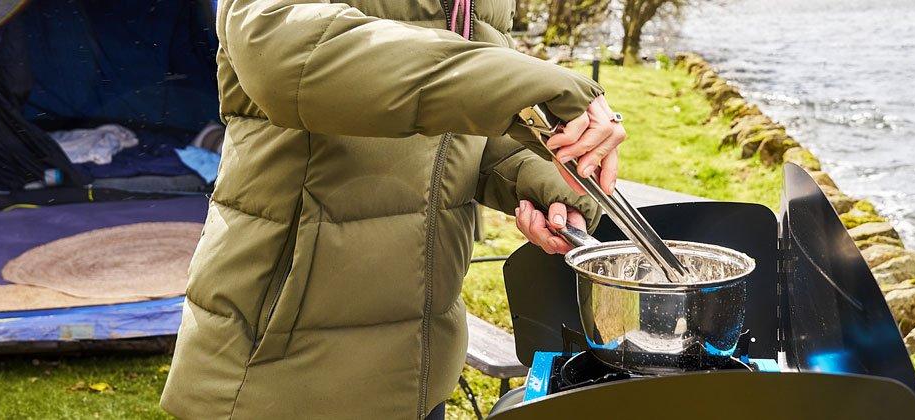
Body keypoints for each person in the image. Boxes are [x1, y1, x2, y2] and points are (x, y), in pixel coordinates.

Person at [160, 0, 628, 418]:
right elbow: (288, 55)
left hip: (420, 359)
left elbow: (464, 133)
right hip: (285, 355)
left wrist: (556, 184)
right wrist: (526, 85)